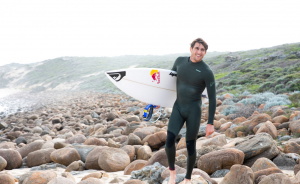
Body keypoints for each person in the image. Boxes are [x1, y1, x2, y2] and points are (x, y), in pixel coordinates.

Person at [165, 38, 216, 184]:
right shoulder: (180, 61)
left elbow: (212, 99)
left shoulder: (206, 72)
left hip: (194, 110)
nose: (199, 52)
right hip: (178, 107)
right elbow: (168, 82)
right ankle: (172, 173)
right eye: (197, 48)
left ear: (205, 52)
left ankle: (187, 178)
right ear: (191, 48)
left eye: (202, 50)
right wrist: (157, 101)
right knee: (169, 141)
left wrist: (210, 123)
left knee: (190, 145)